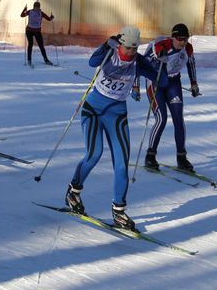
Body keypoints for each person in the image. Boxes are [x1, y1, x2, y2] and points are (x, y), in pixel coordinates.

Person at [64, 26, 158, 230]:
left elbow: (160, 78)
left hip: (116, 114)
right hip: (93, 110)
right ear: (121, 44)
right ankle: (73, 191)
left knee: (122, 163)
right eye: (127, 48)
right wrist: (105, 44)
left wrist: (160, 69)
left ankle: (119, 212)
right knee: (94, 154)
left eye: (134, 48)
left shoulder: (138, 61)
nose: (130, 53)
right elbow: (92, 62)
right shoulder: (110, 52)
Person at [139, 23, 200, 172]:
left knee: (178, 118)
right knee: (161, 119)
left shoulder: (188, 48)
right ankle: (150, 155)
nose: (183, 42)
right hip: (155, 83)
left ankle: (181, 157)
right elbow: (139, 64)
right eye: (179, 39)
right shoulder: (161, 46)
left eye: (185, 39)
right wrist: (135, 86)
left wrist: (194, 84)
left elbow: (191, 64)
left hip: (173, 83)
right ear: (173, 37)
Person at [20, 1, 55, 65]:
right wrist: (24, 10)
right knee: (30, 44)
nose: (36, 9)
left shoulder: (41, 13)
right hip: (29, 31)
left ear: (39, 7)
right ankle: (29, 60)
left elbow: (49, 19)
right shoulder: (30, 12)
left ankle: (46, 60)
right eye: (35, 7)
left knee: (41, 46)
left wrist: (52, 17)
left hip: (37, 31)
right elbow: (22, 15)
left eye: (38, 8)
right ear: (34, 7)